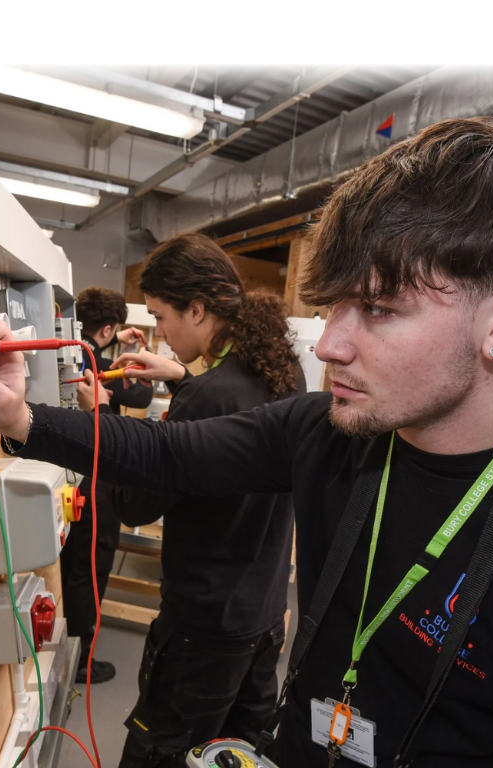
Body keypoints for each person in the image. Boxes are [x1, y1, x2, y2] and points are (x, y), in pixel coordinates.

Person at [0, 118, 493, 767]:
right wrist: (20, 419)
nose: (333, 345)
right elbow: (171, 455)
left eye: (377, 310)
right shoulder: (326, 432)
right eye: (335, 306)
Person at [75, 234, 305, 767]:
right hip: (264, 618)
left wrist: (102, 418)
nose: (160, 332)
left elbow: (134, 504)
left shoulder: (208, 397)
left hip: (202, 632)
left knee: (160, 755)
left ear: (197, 309)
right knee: (239, 754)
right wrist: (182, 379)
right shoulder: (280, 372)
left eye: (162, 316)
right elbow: (234, 426)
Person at [61, 287, 152, 684]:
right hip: (97, 484)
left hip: (72, 478)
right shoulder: (96, 366)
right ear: (110, 327)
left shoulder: (77, 354)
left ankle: (74, 647)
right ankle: (82, 659)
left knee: (76, 563)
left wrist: (116, 341)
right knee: (92, 565)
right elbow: (144, 390)